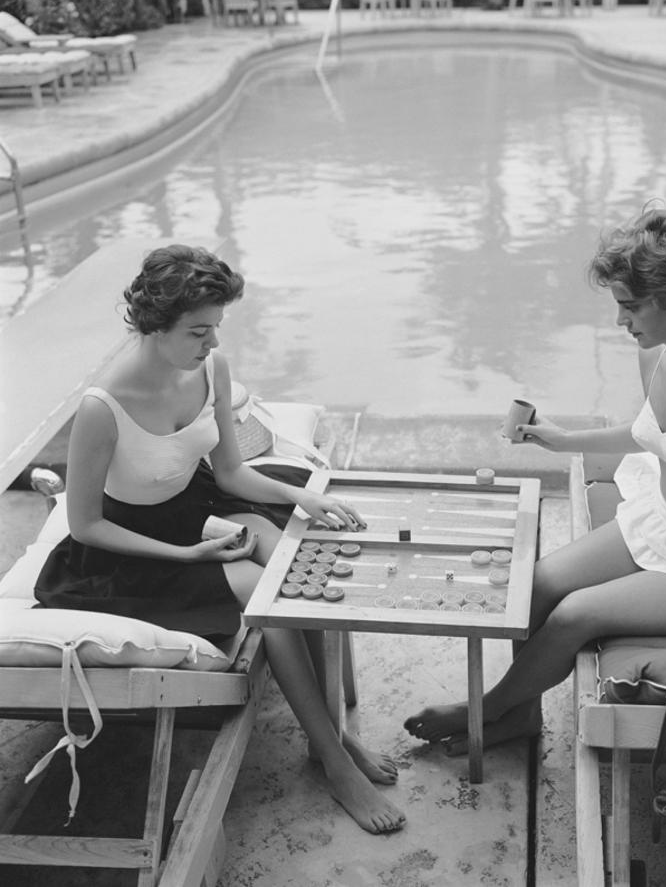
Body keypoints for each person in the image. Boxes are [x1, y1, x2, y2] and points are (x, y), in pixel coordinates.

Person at [405, 208, 666, 755]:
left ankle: (486, 709)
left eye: (629, 306)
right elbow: (654, 432)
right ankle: (519, 714)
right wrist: (561, 439)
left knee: (578, 612)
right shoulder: (656, 356)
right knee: (540, 582)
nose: (621, 321)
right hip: (660, 525)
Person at [34, 244, 405, 834]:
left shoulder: (211, 368)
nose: (211, 344)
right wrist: (184, 554)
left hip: (193, 509)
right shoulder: (103, 407)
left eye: (216, 329)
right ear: (154, 326)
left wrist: (301, 496)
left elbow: (230, 473)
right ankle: (333, 760)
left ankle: (334, 733)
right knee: (263, 592)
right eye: (198, 331)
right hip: (123, 550)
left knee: (300, 556)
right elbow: (87, 526)